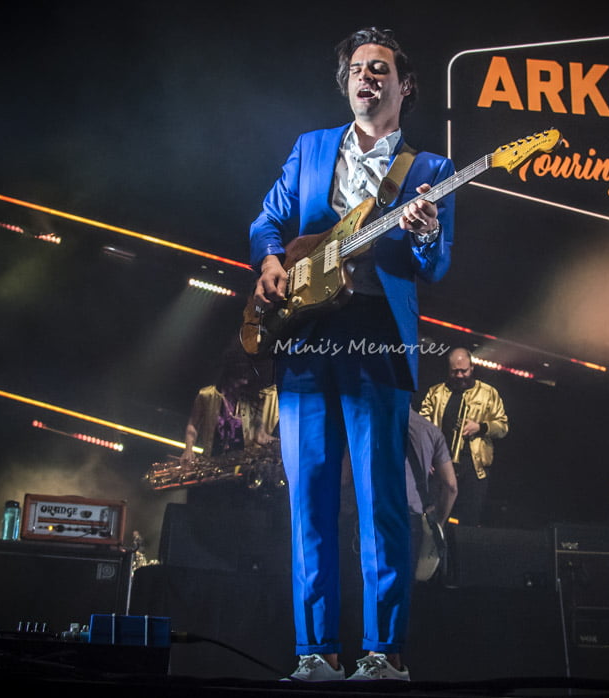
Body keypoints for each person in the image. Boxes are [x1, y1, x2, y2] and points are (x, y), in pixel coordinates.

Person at [248, 27, 455, 681]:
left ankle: (383, 653)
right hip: (306, 337)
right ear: (346, 83)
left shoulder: (429, 170)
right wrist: (271, 261)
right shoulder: (310, 148)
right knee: (309, 499)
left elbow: (436, 266)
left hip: (378, 338)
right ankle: (315, 652)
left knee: (382, 503)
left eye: (380, 68)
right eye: (358, 69)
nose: (367, 77)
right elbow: (267, 220)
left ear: (405, 85)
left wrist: (425, 234)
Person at [419, 347, 508, 525]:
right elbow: (422, 427)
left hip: (474, 468)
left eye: (464, 371)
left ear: (472, 368)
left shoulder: (488, 393)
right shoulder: (436, 393)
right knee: (434, 517)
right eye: (455, 371)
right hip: (441, 465)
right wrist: (427, 455)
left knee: (469, 521)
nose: (459, 375)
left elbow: (503, 427)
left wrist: (481, 427)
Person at [404, 411, 456, 581]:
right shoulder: (430, 430)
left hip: (373, 519)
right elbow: (451, 486)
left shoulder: (365, 423)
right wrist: (438, 524)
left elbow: (345, 476)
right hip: (412, 522)